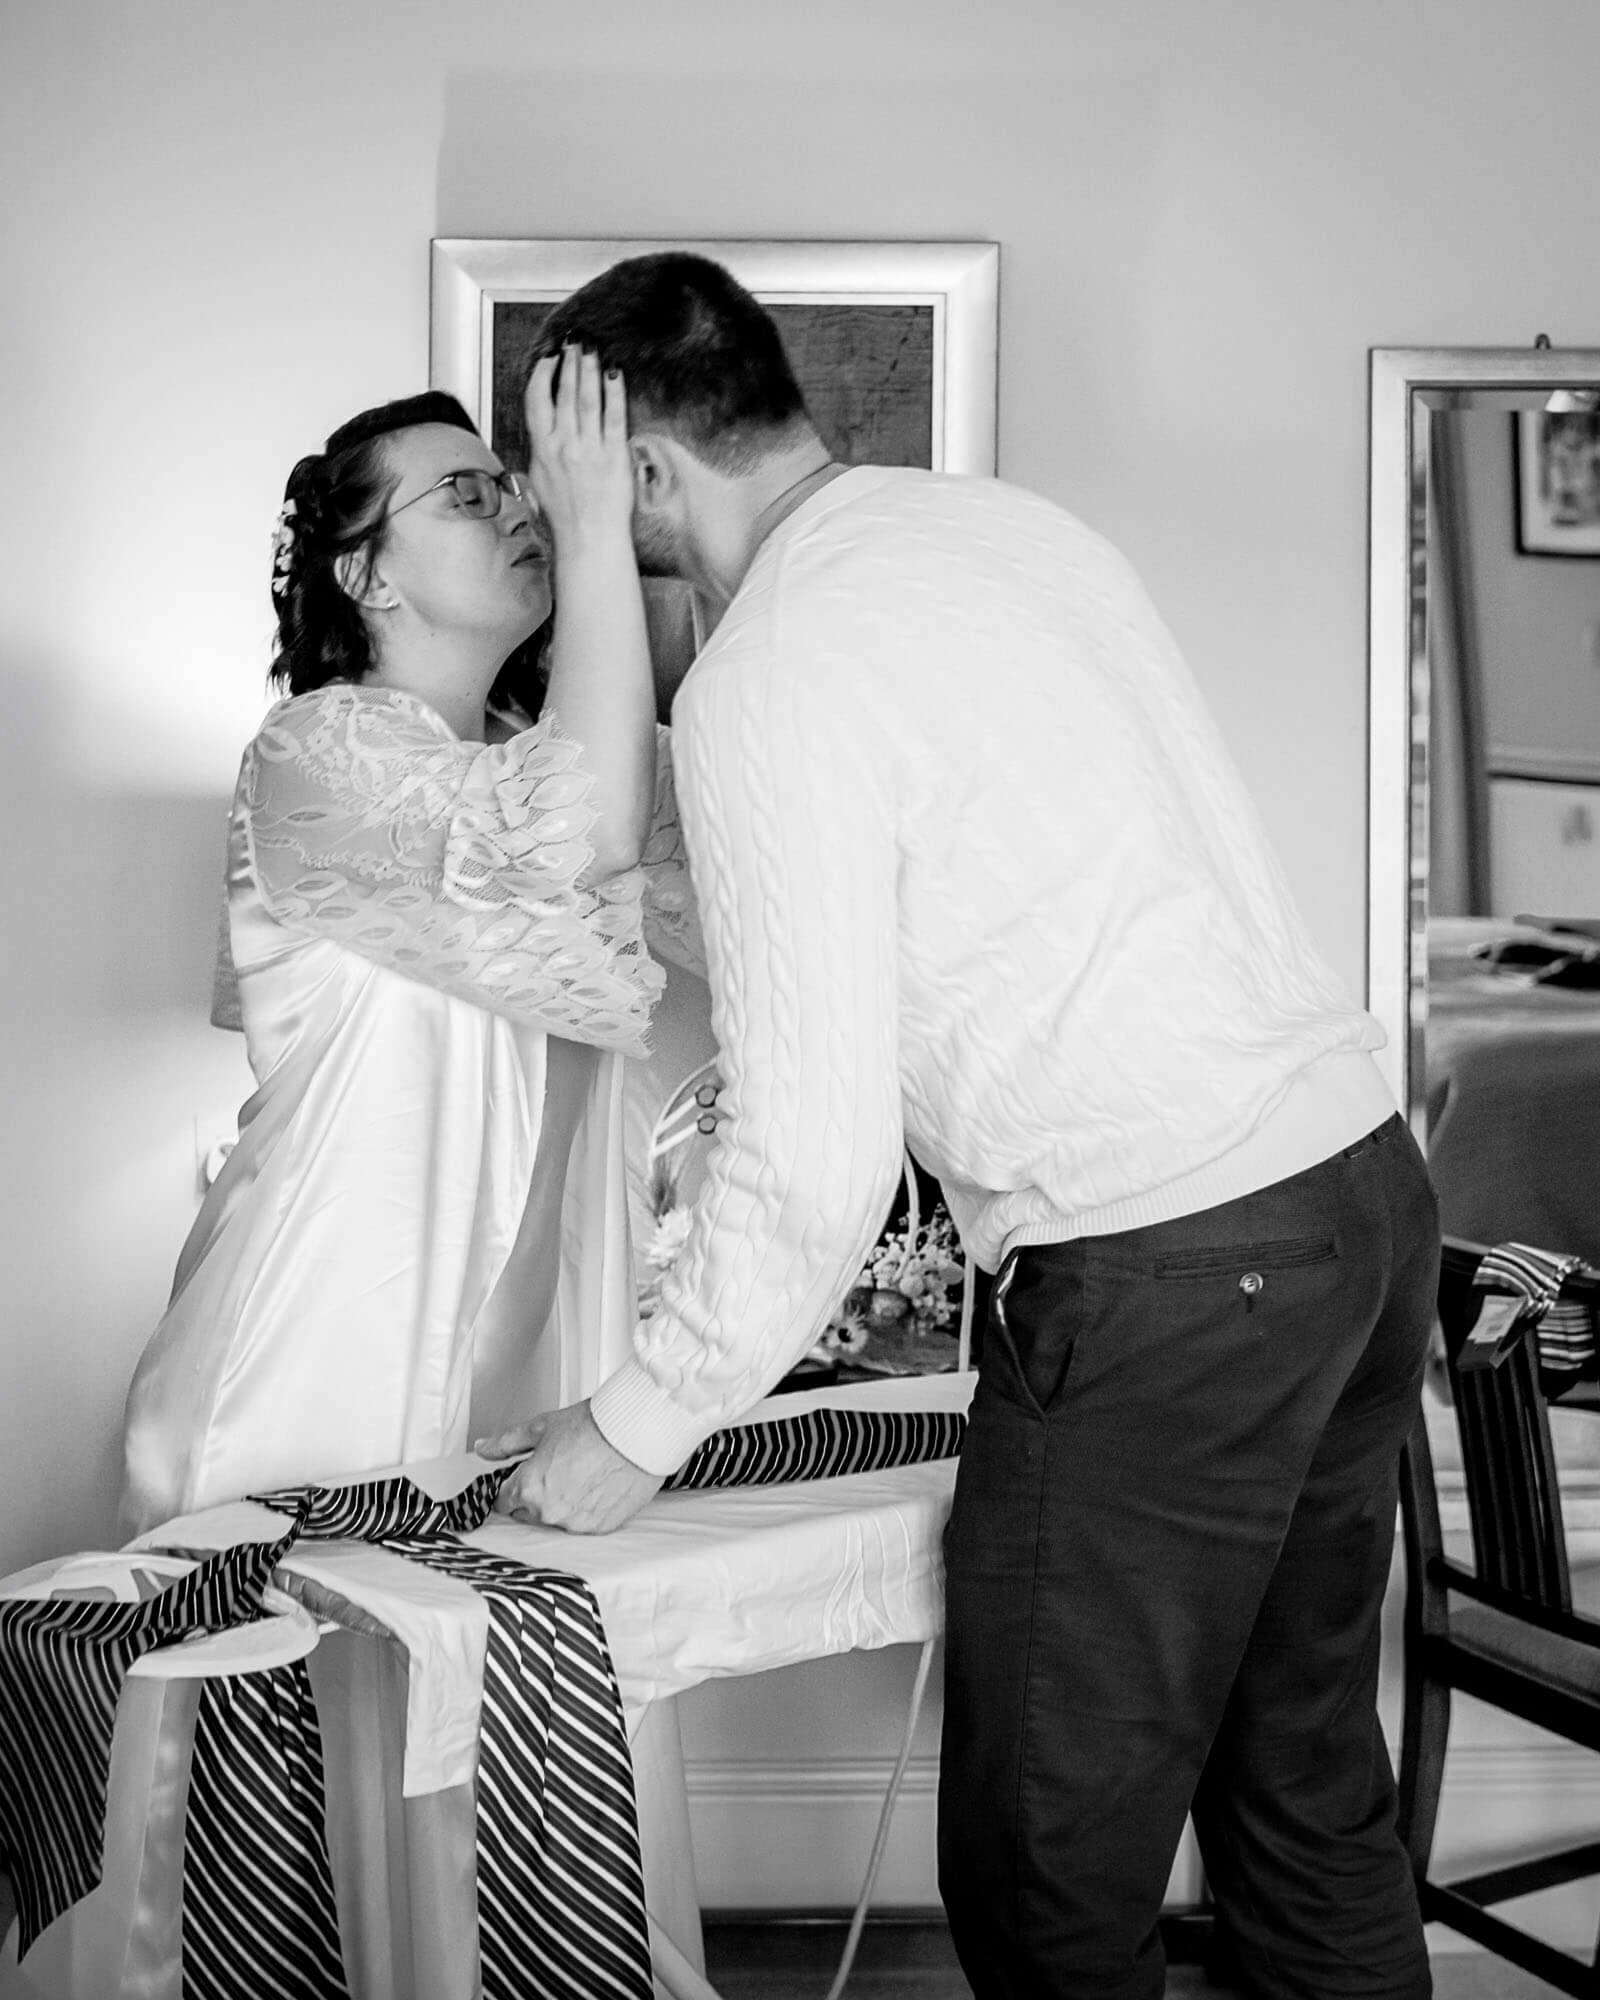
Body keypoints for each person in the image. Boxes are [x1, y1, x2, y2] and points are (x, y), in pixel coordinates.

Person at [479, 254, 1439, 1999]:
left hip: (1175, 1267)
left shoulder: (772, 674)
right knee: (1302, 1788)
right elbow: (960, 909)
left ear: (629, 469)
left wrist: (630, 1428)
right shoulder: (1014, 533)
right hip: (1359, 1198)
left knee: (1048, 1877)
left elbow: (816, 1163)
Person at [121, 352, 668, 1533]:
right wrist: (593, 534)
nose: (517, 506)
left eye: (513, 488)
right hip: (308, 1374)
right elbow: (579, 834)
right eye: (467, 494)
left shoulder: (537, 744)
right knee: (307, 1704)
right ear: (363, 571)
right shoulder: (315, 756)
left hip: (529, 1389)